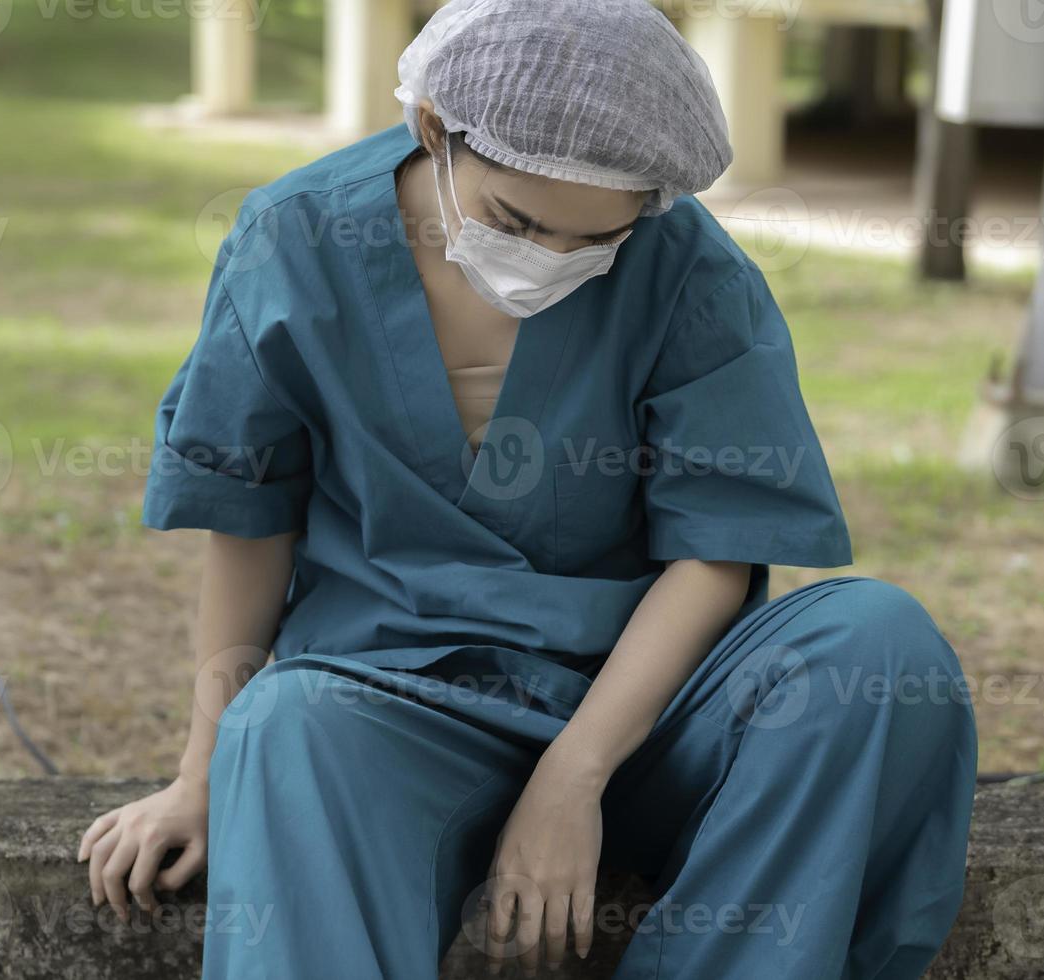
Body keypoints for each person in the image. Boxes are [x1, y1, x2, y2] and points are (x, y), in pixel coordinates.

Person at [78, 1, 979, 976]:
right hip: (391, 706)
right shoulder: (293, 241)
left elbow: (715, 548)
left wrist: (575, 772)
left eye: (593, 243)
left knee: (876, 641)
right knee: (284, 725)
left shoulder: (686, 267)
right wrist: (202, 773)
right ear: (434, 127)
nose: (547, 265)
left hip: (650, 714)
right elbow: (249, 519)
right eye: (516, 221)